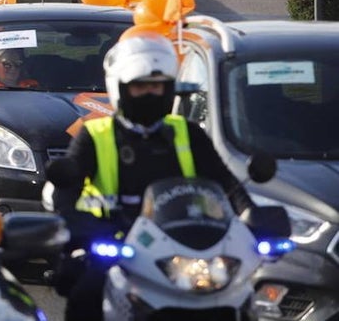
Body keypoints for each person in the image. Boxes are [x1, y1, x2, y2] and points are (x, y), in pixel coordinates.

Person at [49, 33, 253, 321]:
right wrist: (82, 224)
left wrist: (253, 217)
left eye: (158, 87)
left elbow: (227, 184)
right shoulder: (95, 135)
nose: (150, 94)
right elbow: (65, 193)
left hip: (185, 249)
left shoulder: (187, 132)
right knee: (87, 293)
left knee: (245, 295)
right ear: (120, 88)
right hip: (118, 247)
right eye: (141, 87)